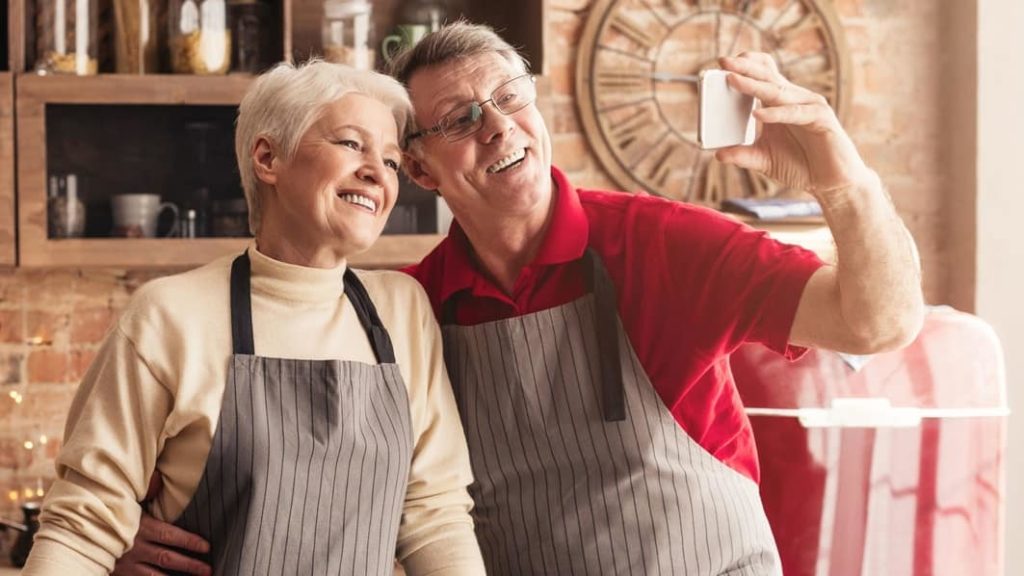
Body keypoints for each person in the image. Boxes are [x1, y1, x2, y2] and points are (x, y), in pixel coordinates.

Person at [121, 21, 925, 576]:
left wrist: (838, 175)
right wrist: (139, 534)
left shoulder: (664, 243)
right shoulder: (411, 308)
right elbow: (311, 475)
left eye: (511, 97)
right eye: (462, 119)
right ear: (423, 172)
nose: (500, 129)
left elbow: (879, 322)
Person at [22, 60, 484, 576]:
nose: (378, 172)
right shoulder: (169, 317)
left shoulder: (402, 311)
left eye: (392, 161)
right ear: (268, 158)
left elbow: (435, 515)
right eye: (352, 144)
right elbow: (82, 527)